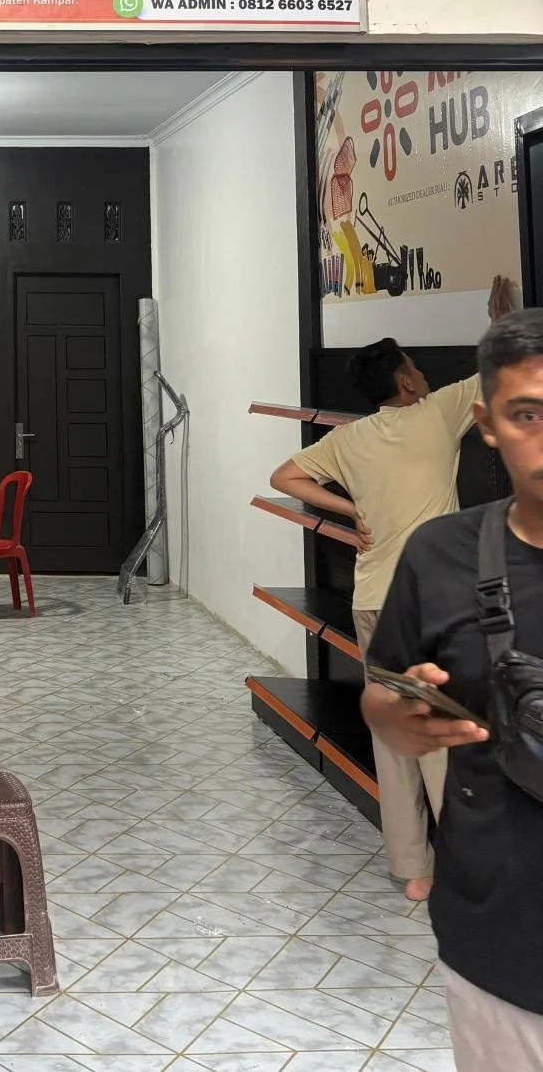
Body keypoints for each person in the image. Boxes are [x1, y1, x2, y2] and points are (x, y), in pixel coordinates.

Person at [269, 276, 514, 901]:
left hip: (375, 600)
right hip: (434, 601)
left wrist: (350, 513)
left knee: (395, 735)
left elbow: (284, 476)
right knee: (441, 732)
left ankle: (414, 872)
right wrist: (499, 321)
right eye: (416, 368)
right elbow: (497, 373)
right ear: (407, 383)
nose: (422, 376)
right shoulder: (436, 414)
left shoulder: (350, 439)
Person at [361, 308, 543, 1069]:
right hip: (498, 944)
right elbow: (382, 692)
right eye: (528, 414)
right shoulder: (440, 555)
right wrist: (397, 718)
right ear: (488, 424)